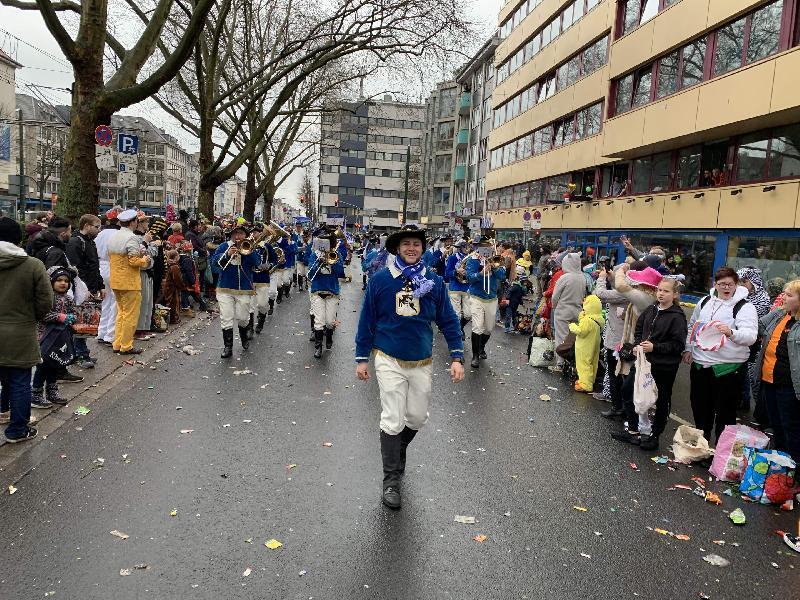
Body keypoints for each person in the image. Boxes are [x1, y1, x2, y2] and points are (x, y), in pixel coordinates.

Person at [355, 225, 464, 509]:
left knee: (416, 418)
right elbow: (367, 319)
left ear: (422, 248)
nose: (411, 248)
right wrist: (361, 358)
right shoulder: (381, 280)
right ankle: (391, 480)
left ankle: (398, 448)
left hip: (421, 360)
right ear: (397, 248)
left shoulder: (434, 283)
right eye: (406, 244)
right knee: (392, 418)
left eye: (416, 243)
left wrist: (456, 356)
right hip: (388, 357)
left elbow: (449, 321)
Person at [684, 267, 758, 443]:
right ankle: (702, 446)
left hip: (727, 369)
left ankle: (720, 453)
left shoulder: (744, 307)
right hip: (700, 365)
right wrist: (688, 348)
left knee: (725, 413)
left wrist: (731, 332)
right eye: (722, 284)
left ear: (736, 284)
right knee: (700, 408)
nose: (726, 288)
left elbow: (751, 337)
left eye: (730, 284)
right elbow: (693, 326)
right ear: (715, 284)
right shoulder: (704, 301)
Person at [0, 217, 52, 443]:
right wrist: (35, 317)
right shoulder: (32, 265)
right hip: (20, 331)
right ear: (19, 239)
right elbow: (45, 300)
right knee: (20, 380)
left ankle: (3, 411)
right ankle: (17, 429)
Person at [623, 277, 687, 451]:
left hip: (664, 366)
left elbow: (678, 345)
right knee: (628, 390)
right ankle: (634, 430)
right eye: (659, 290)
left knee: (662, 400)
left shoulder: (677, 316)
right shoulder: (651, 309)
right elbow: (639, 328)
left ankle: (654, 435)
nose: (661, 293)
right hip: (644, 363)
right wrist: (638, 344)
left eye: (666, 291)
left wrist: (655, 347)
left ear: (674, 294)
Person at [755, 279, 800, 469]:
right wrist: (781, 308)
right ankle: (780, 468)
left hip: (789, 387)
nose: (784, 298)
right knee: (775, 425)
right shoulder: (781, 315)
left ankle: (793, 470)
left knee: (791, 428)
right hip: (769, 382)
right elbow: (758, 327)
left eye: (789, 295)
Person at [107, 209, 154, 355]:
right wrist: (145, 260)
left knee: (121, 313)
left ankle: (117, 343)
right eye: (136, 221)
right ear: (133, 222)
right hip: (129, 281)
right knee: (130, 315)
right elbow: (133, 261)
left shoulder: (114, 236)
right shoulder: (131, 238)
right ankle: (126, 345)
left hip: (115, 280)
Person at [211, 224, 261, 358]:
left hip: (244, 289)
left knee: (243, 318)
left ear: (245, 235)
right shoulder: (224, 246)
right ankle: (228, 347)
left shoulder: (250, 246)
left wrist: (250, 252)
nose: (238, 237)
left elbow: (257, 263)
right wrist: (227, 254)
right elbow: (214, 262)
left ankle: (244, 337)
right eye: (235, 234)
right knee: (226, 317)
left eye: (241, 234)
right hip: (225, 288)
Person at [31, 266, 78, 409]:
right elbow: (43, 314)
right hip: (45, 336)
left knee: (55, 365)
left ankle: (52, 392)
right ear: (51, 281)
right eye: (59, 280)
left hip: (61, 338)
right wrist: (61, 317)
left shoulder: (69, 299)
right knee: (43, 366)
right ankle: (36, 394)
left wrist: (72, 318)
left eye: (66, 281)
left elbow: (74, 312)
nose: (63, 283)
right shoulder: (47, 297)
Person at [66, 214, 103, 369]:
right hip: (82, 290)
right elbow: (76, 269)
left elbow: (95, 266)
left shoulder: (89, 242)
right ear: (87, 226)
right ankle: (81, 354)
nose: (99, 230)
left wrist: (100, 285)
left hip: (89, 287)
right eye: (96, 227)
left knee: (85, 321)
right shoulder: (76, 242)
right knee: (81, 322)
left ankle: (79, 352)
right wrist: (84, 288)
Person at [594, 263, 631, 414]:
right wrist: (611, 276)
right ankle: (620, 406)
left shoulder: (625, 293)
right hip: (616, 338)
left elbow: (600, 294)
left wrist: (602, 279)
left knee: (616, 375)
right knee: (617, 375)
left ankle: (618, 406)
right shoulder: (628, 290)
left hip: (618, 342)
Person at [465, 241, 506, 368]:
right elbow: (469, 278)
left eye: (488, 247)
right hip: (476, 297)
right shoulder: (473, 260)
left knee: (488, 328)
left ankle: (481, 347)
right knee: (477, 326)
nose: (486, 249)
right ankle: (475, 356)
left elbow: (502, 276)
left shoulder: (495, 259)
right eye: (483, 247)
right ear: (479, 248)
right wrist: (480, 274)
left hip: (491, 298)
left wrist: (494, 266)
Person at [737, 266, 771, 414]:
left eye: (744, 281)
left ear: (753, 282)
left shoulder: (762, 299)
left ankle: (761, 412)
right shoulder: (740, 296)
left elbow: (756, 323)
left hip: (756, 344)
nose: (741, 285)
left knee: (754, 378)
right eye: (739, 281)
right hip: (741, 341)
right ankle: (743, 401)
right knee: (741, 374)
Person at [308, 235, 346, 358]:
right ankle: (318, 347)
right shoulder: (315, 255)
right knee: (319, 321)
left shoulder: (336, 254)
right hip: (317, 290)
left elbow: (341, 272)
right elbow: (310, 273)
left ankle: (329, 335)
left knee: (329, 322)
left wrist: (332, 262)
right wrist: (318, 263)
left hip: (332, 291)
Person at [550, 252, 586, 372]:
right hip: (578, 311)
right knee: (574, 338)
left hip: (563, 311)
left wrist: (555, 307)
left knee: (561, 336)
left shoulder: (564, 277)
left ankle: (560, 363)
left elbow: (555, 296)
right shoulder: (583, 277)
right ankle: (572, 362)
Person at [95, 208, 121, 346]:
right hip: (113, 266)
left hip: (101, 266)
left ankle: (101, 331)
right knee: (115, 302)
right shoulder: (118, 234)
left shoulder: (100, 233)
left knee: (105, 301)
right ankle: (110, 335)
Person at [569, 295, 605, 392]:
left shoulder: (587, 320)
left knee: (583, 364)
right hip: (594, 345)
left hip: (584, 346)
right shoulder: (598, 319)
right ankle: (589, 381)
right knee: (592, 363)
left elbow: (581, 330)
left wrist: (572, 326)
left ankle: (585, 385)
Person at [445, 239, 472, 340]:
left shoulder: (471, 258)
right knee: (457, 314)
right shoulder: (453, 258)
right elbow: (447, 273)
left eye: (468, 247)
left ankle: (460, 328)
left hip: (467, 287)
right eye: (465, 247)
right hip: (455, 288)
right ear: (460, 248)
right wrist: (456, 272)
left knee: (468, 314)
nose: (467, 249)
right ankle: (457, 333)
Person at [162, 250, 186, 324]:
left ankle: (172, 318)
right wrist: (182, 286)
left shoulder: (169, 264)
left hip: (169, 287)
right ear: (175, 257)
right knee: (174, 303)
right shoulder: (175, 266)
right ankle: (174, 319)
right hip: (173, 288)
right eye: (178, 255)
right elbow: (177, 279)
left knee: (171, 303)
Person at [503, 267, 527, 334]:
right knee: (508, 316)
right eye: (525, 281)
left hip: (515, 305)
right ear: (522, 281)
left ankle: (514, 327)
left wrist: (522, 303)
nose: (526, 283)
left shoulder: (521, 288)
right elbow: (509, 292)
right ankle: (507, 328)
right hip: (510, 304)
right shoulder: (516, 286)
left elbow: (519, 297)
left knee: (514, 317)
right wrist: (507, 299)